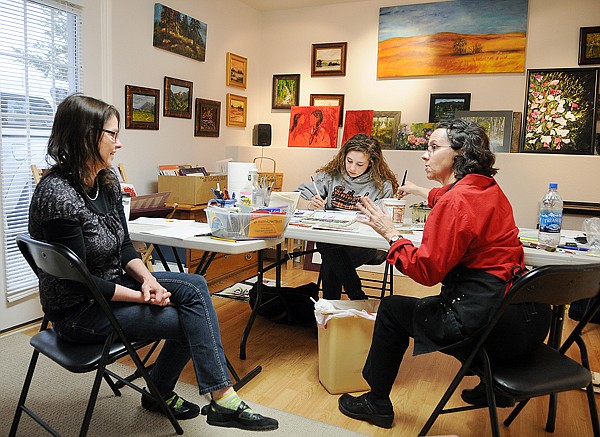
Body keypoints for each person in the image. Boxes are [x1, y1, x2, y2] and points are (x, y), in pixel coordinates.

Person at [28, 94, 278, 431]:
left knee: (196, 287)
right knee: (190, 320)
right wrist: (140, 296)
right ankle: (200, 396)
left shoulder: (106, 180)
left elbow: (124, 246)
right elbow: (79, 281)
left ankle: (211, 397)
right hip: (79, 311)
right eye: (112, 135)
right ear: (86, 135)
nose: (119, 144)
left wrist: (148, 281)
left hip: (111, 286)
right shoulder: (57, 194)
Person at [337, 119, 551, 428]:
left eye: (434, 148)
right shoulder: (487, 188)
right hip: (525, 323)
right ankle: (492, 387)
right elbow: (450, 198)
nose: (425, 155)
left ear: (459, 154)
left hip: (486, 328)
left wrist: (392, 236)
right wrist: (423, 192)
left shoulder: (455, 202)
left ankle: (377, 402)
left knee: (392, 309)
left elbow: (426, 271)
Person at [296, 134, 399, 300]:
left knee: (330, 259)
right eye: (349, 161)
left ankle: (333, 313)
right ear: (343, 156)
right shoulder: (330, 176)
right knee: (330, 248)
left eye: (360, 164)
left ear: (371, 163)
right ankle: (357, 299)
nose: (352, 168)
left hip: (362, 244)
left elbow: (384, 219)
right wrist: (309, 204)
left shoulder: (382, 184)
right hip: (333, 238)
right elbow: (296, 198)